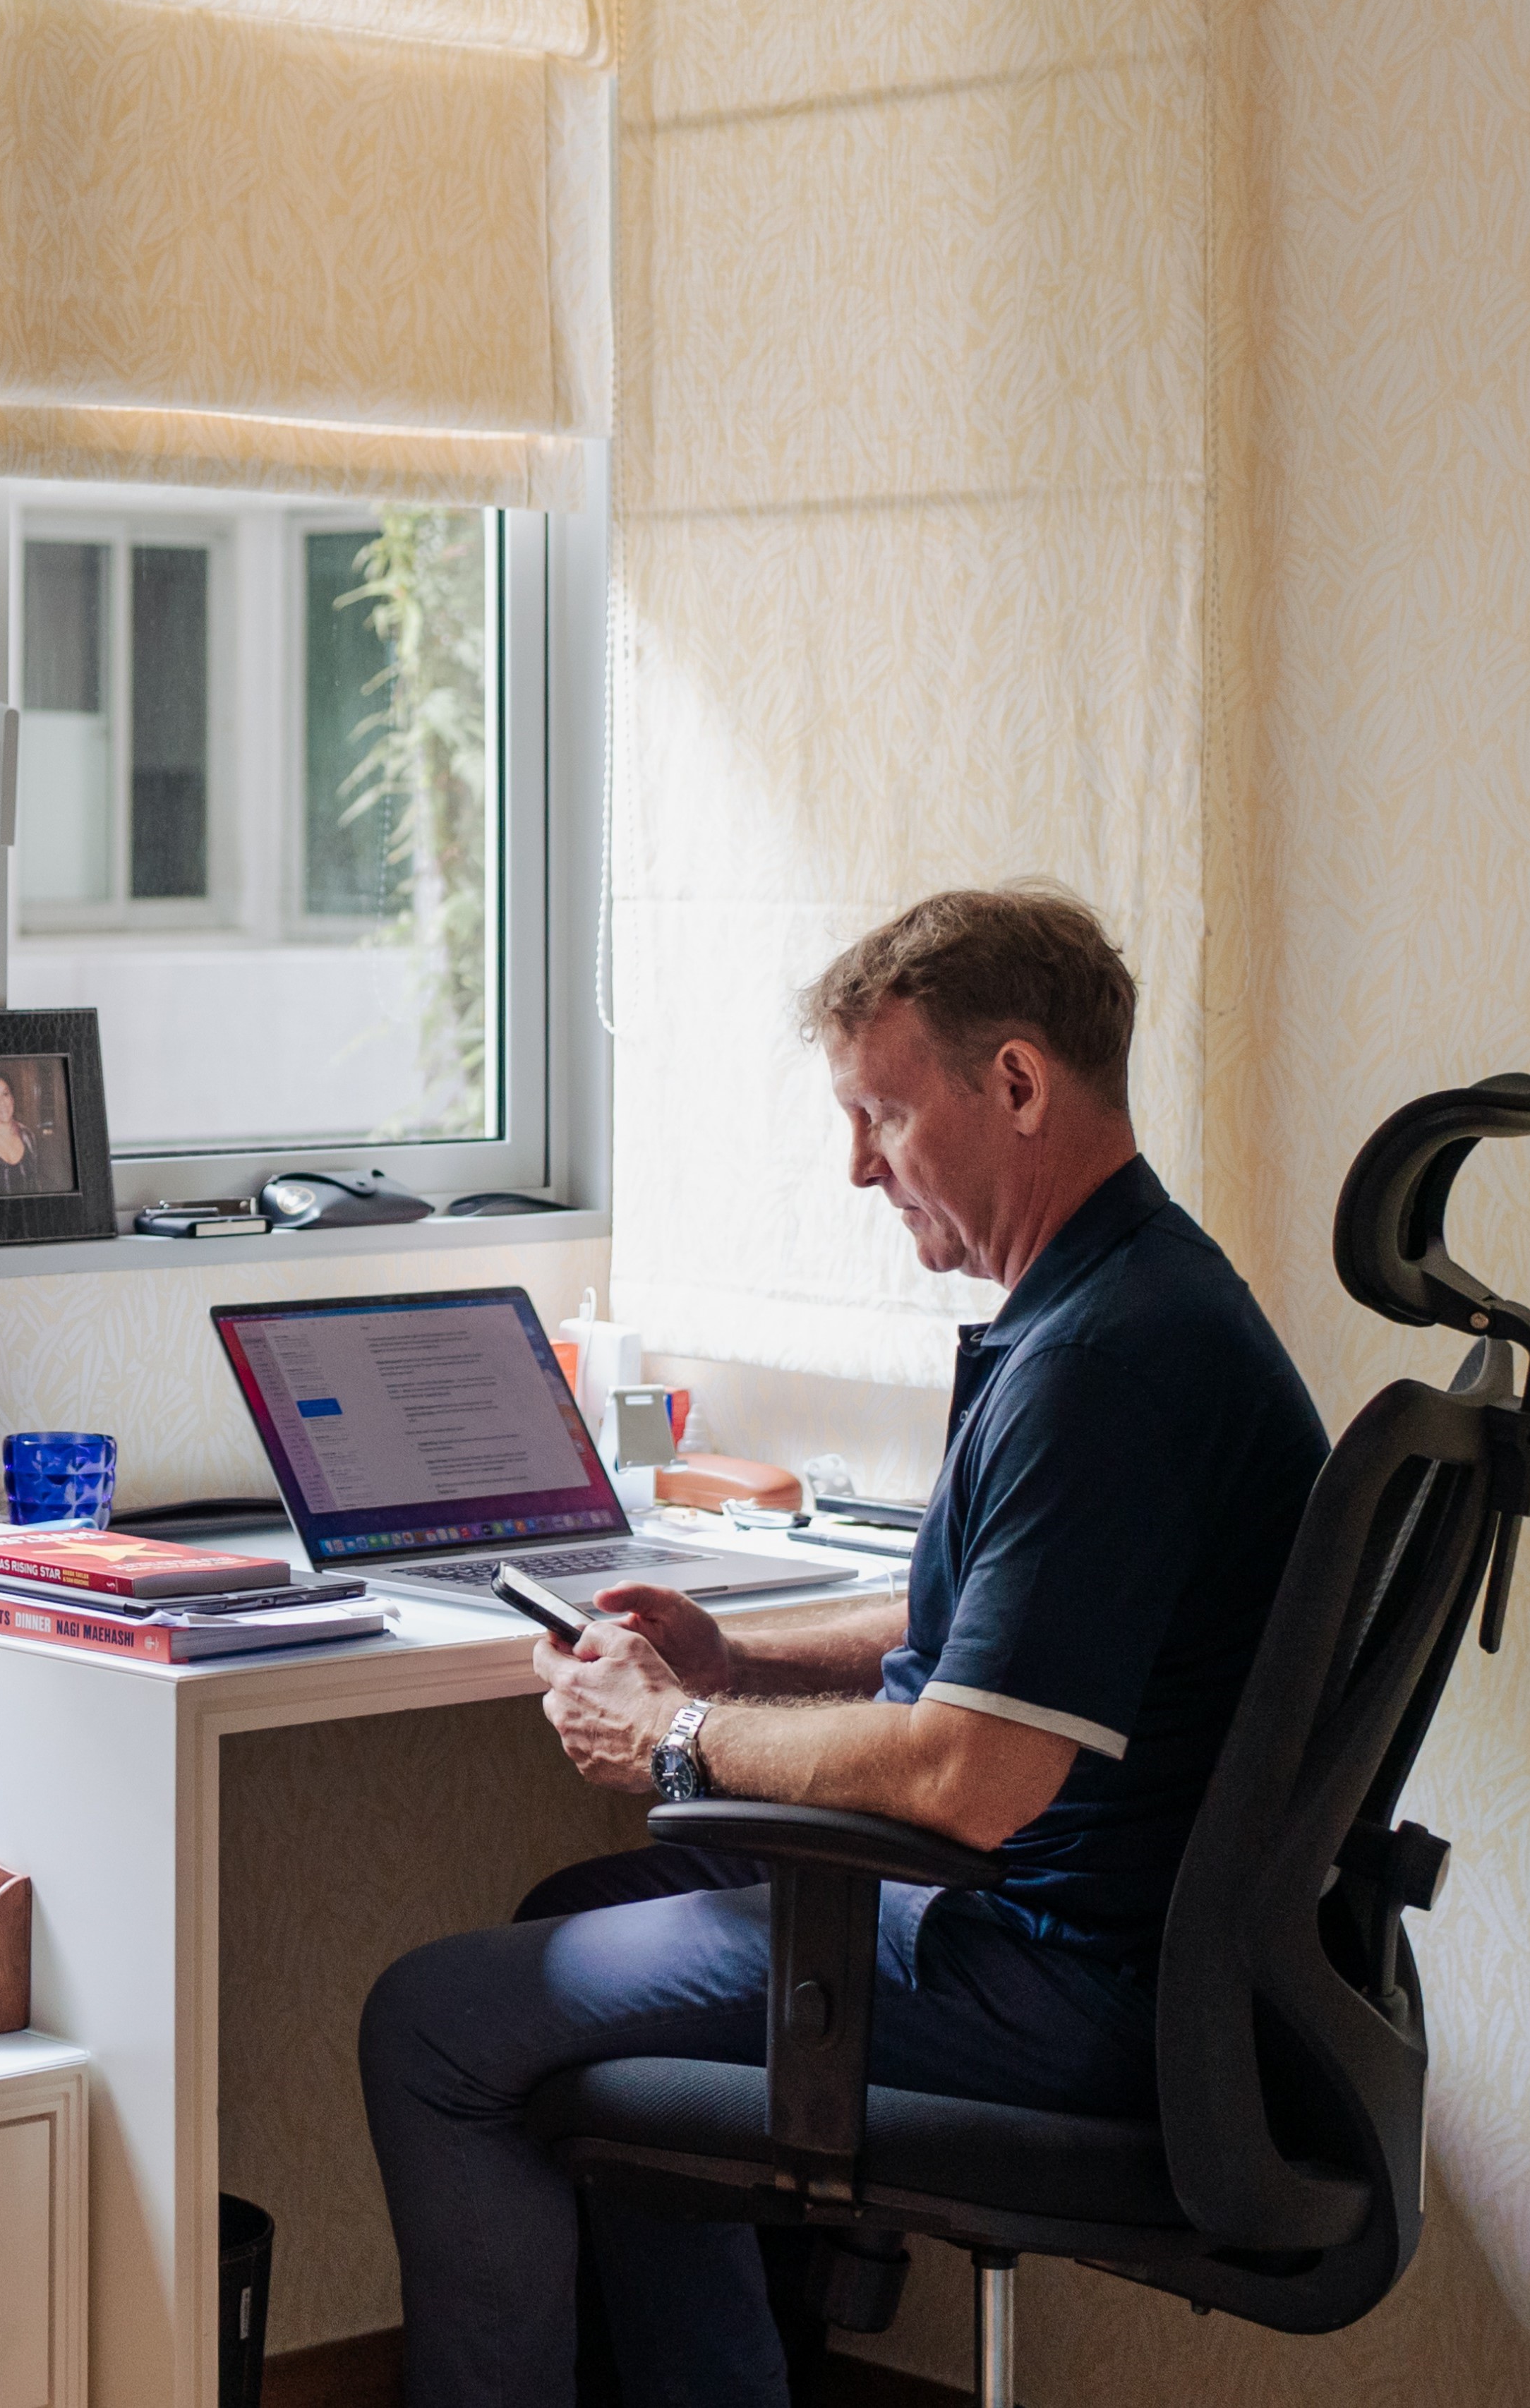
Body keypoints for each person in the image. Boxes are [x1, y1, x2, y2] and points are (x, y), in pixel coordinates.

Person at [360, 887, 1330, 2408]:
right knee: (565, 1914)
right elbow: (1001, 1615)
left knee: (432, 2020)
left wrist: (677, 1735)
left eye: (882, 1111)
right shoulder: (1143, 1293)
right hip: (1119, 1942)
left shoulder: (1097, 1365)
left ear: (1015, 1083)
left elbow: (974, 1769)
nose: (859, 1162)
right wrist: (739, 1662)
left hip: (1049, 1965)